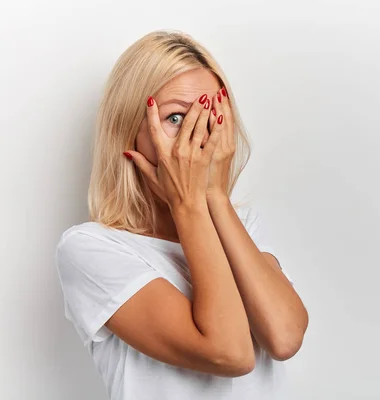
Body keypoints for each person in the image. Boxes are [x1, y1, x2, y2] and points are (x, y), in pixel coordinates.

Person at [54, 29, 309, 400]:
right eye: (176, 118)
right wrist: (188, 206)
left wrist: (215, 199)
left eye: (211, 115)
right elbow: (229, 352)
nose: (199, 137)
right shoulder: (90, 249)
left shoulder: (243, 226)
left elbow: (285, 338)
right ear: (128, 133)